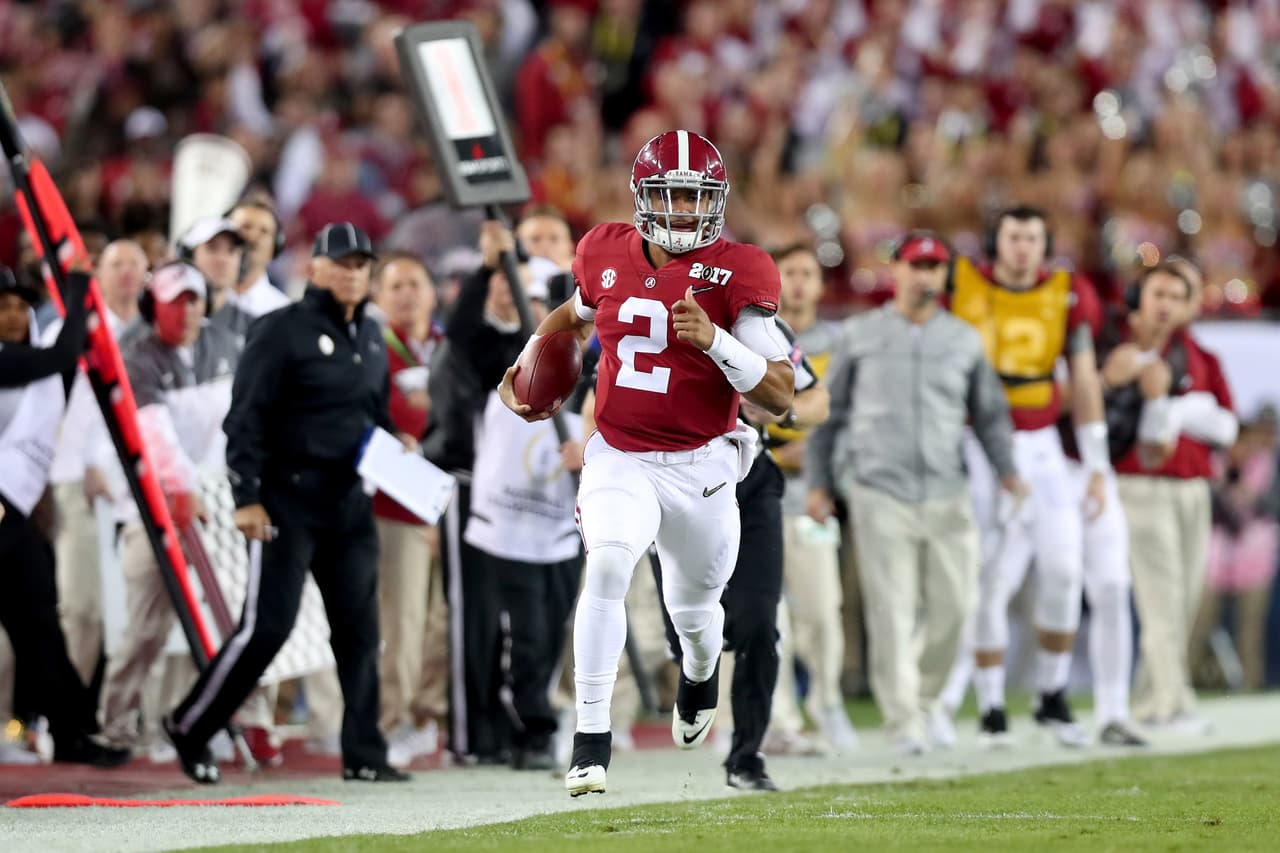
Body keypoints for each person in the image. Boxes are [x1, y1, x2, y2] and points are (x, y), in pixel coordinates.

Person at [498, 130, 796, 796]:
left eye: (697, 197)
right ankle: (592, 737)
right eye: (672, 196)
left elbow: (776, 397)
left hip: (703, 464)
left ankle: (696, 673)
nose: (686, 210)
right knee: (606, 563)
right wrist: (525, 365)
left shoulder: (742, 268)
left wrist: (716, 340)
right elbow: (573, 315)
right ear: (644, 198)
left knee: (695, 611)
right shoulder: (602, 250)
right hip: (621, 450)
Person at [164, 222, 412, 784]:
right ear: (316, 268)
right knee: (266, 629)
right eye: (342, 264)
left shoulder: (370, 335)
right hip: (287, 501)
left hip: (348, 503)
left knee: (360, 631)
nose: (353, 274)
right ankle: (190, 725)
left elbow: (373, 411)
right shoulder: (280, 330)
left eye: (361, 264)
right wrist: (248, 497)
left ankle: (365, 754)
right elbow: (244, 417)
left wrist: (398, 440)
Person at [808, 233, 1021, 754]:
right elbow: (828, 417)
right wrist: (820, 481)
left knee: (956, 606)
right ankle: (904, 720)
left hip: (948, 490)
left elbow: (990, 414)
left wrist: (1009, 471)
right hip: (880, 489)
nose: (926, 275)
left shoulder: (964, 340)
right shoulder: (859, 335)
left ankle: (926, 703)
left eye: (936, 266)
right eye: (917, 264)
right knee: (892, 609)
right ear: (896, 270)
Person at [947, 205, 1109, 746]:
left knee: (1065, 568)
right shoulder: (959, 281)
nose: (1022, 247)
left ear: (1045, 245)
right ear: (996, 240)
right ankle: (991, 705)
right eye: (1013, 236)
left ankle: (1051, 693)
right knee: (990, 576)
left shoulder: (1066, 290)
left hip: (1041, 447)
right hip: (978, 442)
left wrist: (1096, 461)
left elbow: (1083, 378)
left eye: (1033, 238)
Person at [651, 311, 827, 791]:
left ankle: (746, 755)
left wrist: (781, 408)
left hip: (747, 479)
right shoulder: (648, 311)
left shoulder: (758, 326)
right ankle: (695, 673)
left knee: (757, 623)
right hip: (675, 483)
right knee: (686, 629)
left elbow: (816, 398)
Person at [422, 222, 555, 764]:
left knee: (529, 619)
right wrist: (486, 266)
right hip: (473, 492)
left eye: (521, 284)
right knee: (472, 617)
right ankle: (471, 736)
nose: (511, 291)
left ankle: (521, 725)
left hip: (535, 500)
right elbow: (461, 334)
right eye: (502, 283)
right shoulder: (473, 346)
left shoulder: (548, 347)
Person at [97, 262, 240, 752]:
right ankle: (115, 722)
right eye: (175, 300)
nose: (187, 310)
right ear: (151, 307)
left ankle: (208, 721)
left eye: (194, 299)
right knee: (148, 627)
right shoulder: (139, 357)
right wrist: (183, 488)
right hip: (152, 506)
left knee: (230, 618)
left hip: (216, 500)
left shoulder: (223, 346)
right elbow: (154, 436)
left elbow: (235, 421)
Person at [0, 263, 130, 767]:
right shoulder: (16, 360)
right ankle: (68, 732)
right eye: (3, 307)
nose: (13, 315)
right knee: (38, 632)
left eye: (21, 307)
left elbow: (61, 365)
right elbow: (62, 355)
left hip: (13, 520)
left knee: (40, 633)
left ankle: (71, 734)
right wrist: (78, 292)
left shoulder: (27, 365)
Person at [1110, 261, 1237, 733]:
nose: (1164, 304)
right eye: (1156, 293)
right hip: (1141, 486)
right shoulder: (1119, 349)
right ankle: (1170, 704)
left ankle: (1151, 700)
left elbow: (1226, 427)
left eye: (1175, 296)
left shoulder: (1202, 357)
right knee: (1161, 599)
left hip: (1192, 488)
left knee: (1182, 602)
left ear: (1189, 306)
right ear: (1140, 297)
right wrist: (1189, 412)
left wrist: (1179, 410)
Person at [764, 243, 859, 754]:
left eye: (807, 273)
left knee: (823, 609)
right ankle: (775, 718)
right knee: (764, 616)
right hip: (754, 493)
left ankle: (826, 703)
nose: (798, 283)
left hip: (813, 498)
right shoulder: (754, 334)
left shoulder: (840, 345)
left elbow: (853, 421)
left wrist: (827, 471)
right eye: (789, 273)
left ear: (822, 287)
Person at [48, 239, 148, 686]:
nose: (126, 272)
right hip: (76, 481)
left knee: (139, 608)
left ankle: (125, 714)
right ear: (99, 274)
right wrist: (86, 462)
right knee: (82, 605)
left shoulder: (154, 333)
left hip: (142, 486)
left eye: (135, 263)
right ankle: (72, 712)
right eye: (116, 263)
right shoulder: (70, 332)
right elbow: (48, 412)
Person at [369, 252, 449, 768]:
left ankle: (429, 718)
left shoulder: (448, 348)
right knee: (402, 621)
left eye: (414, 282)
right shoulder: (372, 346)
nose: (405, 293)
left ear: (432, 292)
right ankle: (392, 720)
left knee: (444, 619)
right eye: (394, 285)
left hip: (450, 497)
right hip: (394, 501)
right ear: (379, 296)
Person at [177, 216, 253, 345]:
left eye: (231, 251)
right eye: (212, 248)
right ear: (189, 256)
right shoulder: (167, 318)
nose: (223, 260)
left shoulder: (252, 327)